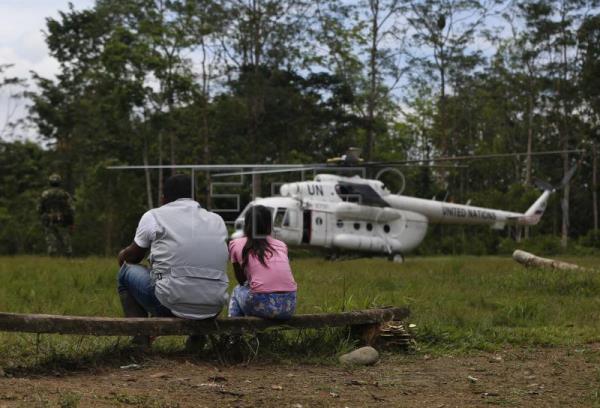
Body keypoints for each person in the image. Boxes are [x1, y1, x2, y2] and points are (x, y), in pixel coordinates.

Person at [117, 174, 229, 347]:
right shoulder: (217, 220)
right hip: (213, 306)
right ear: (195, 198)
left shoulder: (154, 216)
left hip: (169, 305)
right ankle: (197, 341)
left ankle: (140, 340)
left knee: (125, 272)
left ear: (164, 199)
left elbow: (133, 257)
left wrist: (122, 255)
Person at [228, 205, 297, 320]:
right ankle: (258, 336)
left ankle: (234, 335)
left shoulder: (236, 244)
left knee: (237, 291)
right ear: (270, 225)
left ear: (247, 224)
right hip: (289, 305)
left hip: (261, 305)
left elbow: (241, 280)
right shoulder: (281, 245)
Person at [39, 173, 74, 257]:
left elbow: (39, 208)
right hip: (62, 219)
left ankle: (53, 257)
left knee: (51, 241)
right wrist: (71, 221)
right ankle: (68, 257)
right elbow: (71, 209)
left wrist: (44, 216)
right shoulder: (65, 194)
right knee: (66, 240)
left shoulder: (45, 194)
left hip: (49, 219)